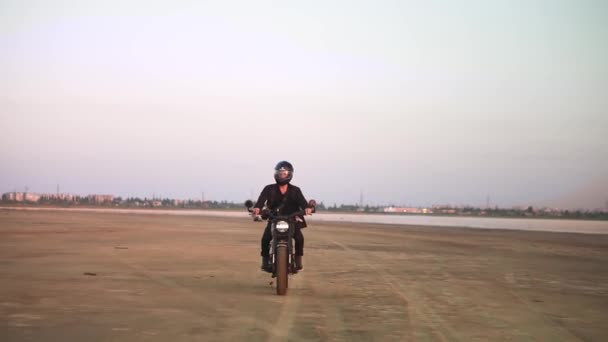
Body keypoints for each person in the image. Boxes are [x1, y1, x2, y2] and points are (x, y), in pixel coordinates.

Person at [253, 161, 313, 272]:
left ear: (289, 174)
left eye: (284, 173)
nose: (282, 175)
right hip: (274, 218)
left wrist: (308, 208)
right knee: (265, 239)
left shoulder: (296, 190)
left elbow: (303, 204)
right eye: (280, 173)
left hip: (291, 219)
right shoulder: (269, 188)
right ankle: (265, 261)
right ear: (276, 174)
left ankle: (298, 260)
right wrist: (257, 208)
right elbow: (261, 200)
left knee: (299, 238)